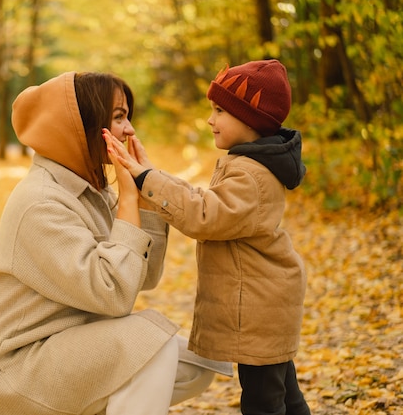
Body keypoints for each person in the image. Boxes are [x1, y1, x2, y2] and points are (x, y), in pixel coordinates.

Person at [0, 71, 232, 415]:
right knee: (151, 345)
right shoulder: (41, 201)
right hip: (15, 367)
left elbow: (144, 276)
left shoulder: (90, 190)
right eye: (119, 117)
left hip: (68, 347)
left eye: (127, 117)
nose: (130, 130)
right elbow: (114, 294)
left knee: (198, 365)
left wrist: (145, 199)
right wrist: (126, 201)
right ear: (81, 126)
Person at [104, 59, 311, 415]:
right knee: (285, 395)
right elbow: (206, 201)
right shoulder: (249, 165)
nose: (210, 120)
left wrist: (145, 181)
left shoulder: (252, 175)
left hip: (261, 307)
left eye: (219, 111)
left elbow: (204, 216)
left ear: (252, 119)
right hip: (266, 303)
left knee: (263, 402)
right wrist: (151, 174)